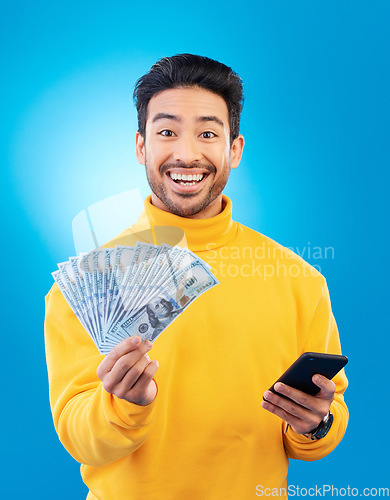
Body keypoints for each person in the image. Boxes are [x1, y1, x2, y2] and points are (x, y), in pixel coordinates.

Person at [44, 54, 348, 499]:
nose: (186, 153)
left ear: (235, 149)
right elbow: (79, 438)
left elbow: (326, 420)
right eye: (167, 132)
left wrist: (316, 424)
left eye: (208, 133)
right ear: (141, 147)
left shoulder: (297, 279)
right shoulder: (89, 282)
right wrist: (124, 407)